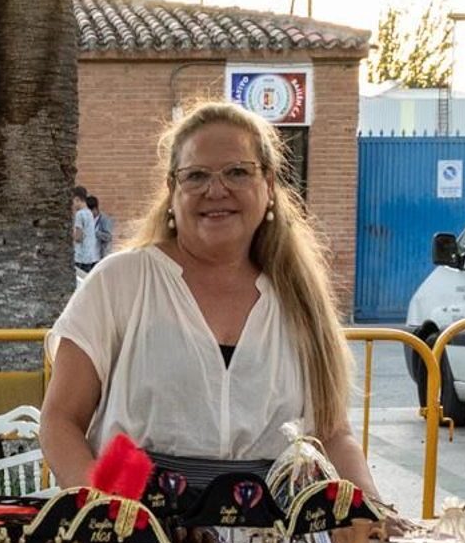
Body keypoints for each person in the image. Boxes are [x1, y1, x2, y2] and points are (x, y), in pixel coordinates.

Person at [41, 100, 379, 498]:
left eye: (238, 172)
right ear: (172, 190)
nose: (216, 190)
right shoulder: (120, 282)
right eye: (196, 175)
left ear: (269, 185)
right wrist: (104, 512)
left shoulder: (300, 299)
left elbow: (333, 434)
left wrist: (374, 511)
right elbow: (60, 419)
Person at [71, 186, 100, 273]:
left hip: (80, 257)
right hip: (90, 256)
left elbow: (78, 237)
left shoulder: (79, 214)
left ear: (77, 199)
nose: (73, 205)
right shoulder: (90, 213)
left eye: (73, 202)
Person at [87, 194, 114, 259]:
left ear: (94, 209)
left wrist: (95, 232)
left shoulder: (105, 220)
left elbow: (108, 236)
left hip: (100, 256)